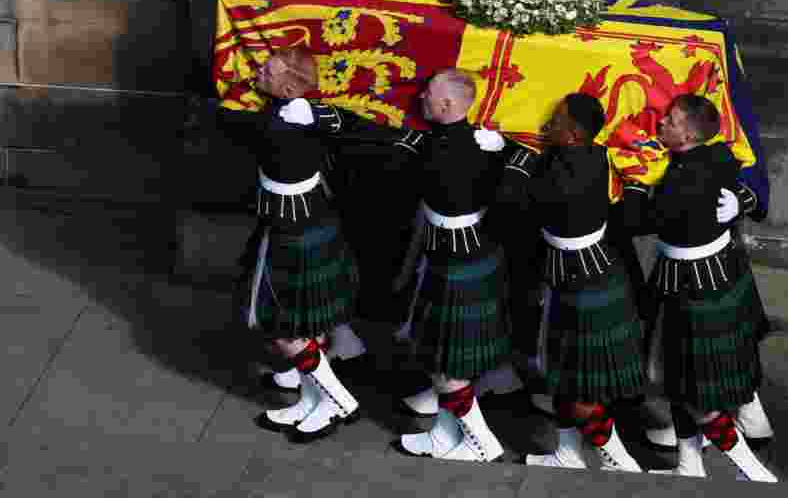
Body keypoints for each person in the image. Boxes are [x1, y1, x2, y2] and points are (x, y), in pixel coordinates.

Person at [297, 68, 512, 462]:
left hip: (454, 261)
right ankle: (447, 434)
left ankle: (482, 443)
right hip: (460, 254)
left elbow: (401, 169)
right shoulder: (486, 146)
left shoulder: (435, 151)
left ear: (446, 104)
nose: (420, 98)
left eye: (428, 93)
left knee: (447, 361)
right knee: (441, 354)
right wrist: (500, 147)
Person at [622, 94, 776, 481]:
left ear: (689, 134)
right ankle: (689, 465)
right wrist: (743, 199)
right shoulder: (718, 156)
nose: (661, 123)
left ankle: (754, 472)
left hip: (690, 288)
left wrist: (637, 181)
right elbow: (745, 180)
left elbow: (637, 220)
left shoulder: (680, 182)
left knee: (697, 394)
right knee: (681, 383)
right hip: (712, 273)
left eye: (670, 121)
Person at [496, 93, 647, 472]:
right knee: (565, 374)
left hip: (585, 285)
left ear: (575, 135)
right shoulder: (592, 154)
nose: (548, 124)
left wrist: (518, 158)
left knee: (583, 392)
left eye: (557, 120)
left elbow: (509, 201)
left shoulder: (563, 179)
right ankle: (566, 453)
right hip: (576, 275)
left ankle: (620, 462)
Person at [218, 47, 361, 442]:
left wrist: (307, 112)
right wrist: (313, 111)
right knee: (301, 324)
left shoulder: (273, 126)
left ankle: (337, 400)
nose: (257, 73)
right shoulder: (292, 117)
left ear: (286, 85)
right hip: (303, 221)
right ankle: (313, 397)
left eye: (267, 70)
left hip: (293, 232)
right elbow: (345, 120)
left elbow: (235, 121)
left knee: (283, 327)